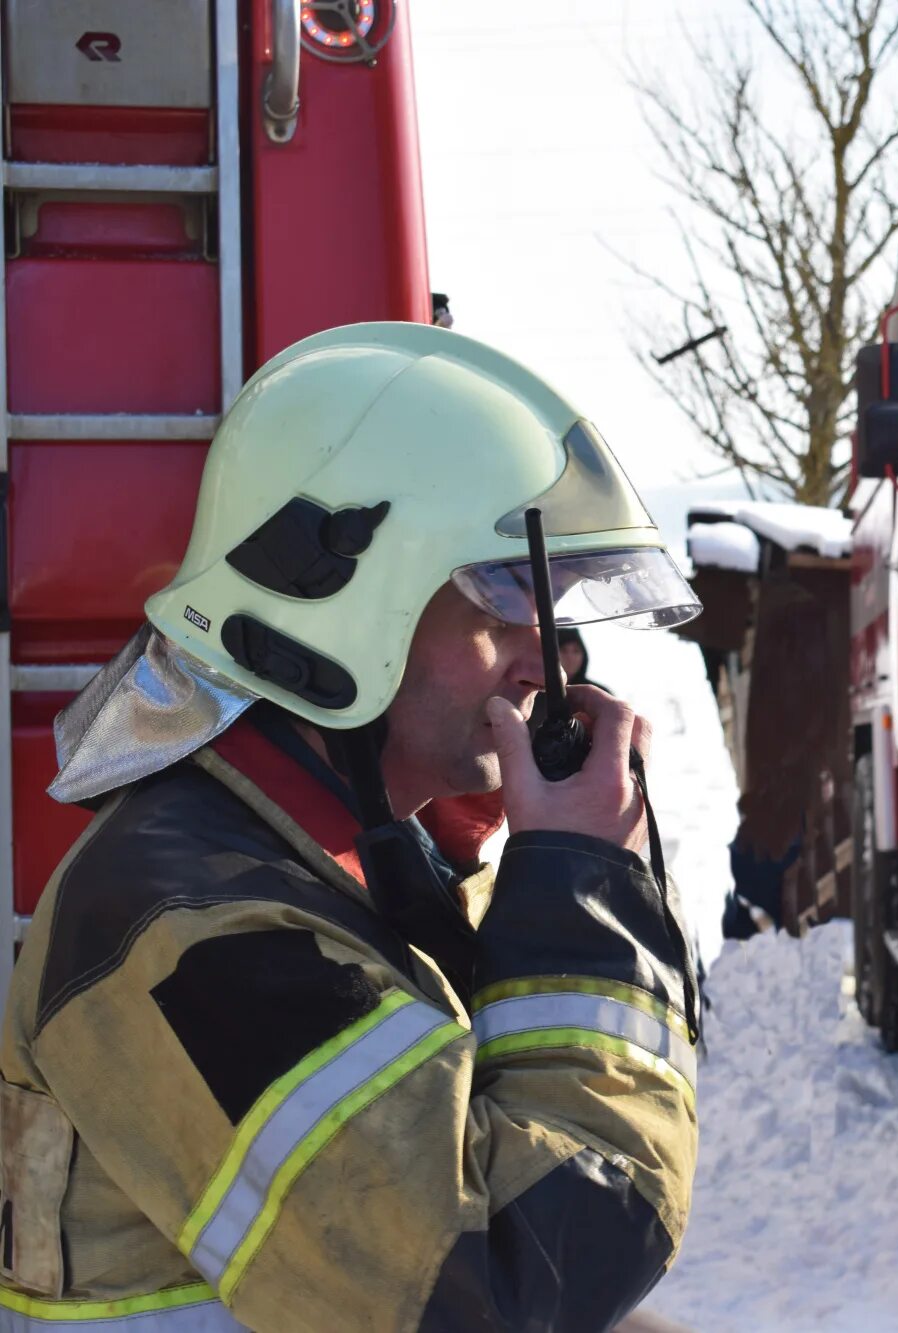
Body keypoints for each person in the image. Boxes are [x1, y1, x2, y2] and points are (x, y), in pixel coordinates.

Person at [0, 323, 704, 1331]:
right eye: (503, 609)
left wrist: (514, 868)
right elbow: (508, 1285)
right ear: (342, 615)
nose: (547, 668)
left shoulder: (350, 866)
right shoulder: (195, 935)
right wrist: (582, 896)